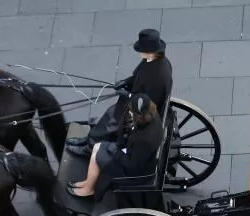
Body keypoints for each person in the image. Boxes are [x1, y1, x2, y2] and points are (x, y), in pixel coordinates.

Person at [66, 28, 172, 157]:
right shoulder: (156, 61)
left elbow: (148, 102)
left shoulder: (157, 74)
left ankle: (89, 147)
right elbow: (138, 77)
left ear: (149, 52)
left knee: (111, 119)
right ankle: (89, 139)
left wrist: (128, 95)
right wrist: (126, 82)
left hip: (142, 112)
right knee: (111, 113)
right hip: (135, 101)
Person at [67, 93, 164, 200]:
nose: (129, 113)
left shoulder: (143, 141)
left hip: (134, 173)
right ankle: (88, 183)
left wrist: (119, 151)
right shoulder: (152, 117)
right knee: (97, 146)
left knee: (97, 157)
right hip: (131, 155)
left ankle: (88, 190)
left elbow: (131, 165)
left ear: (139, 117)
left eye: (131, 112)